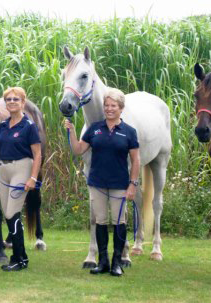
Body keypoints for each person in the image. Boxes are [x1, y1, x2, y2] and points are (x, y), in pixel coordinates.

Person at [63, 88, 139, 277]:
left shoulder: (129, 132)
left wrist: (132, 184)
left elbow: (136, 161)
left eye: (113, 106)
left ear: (121, 108)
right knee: (101, 221)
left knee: (119, 222)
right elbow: (79, 149)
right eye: (106, 105)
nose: (109, 109)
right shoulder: (94, 128)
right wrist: (72, 132)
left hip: (119, 185)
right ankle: (103, 261)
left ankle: (117, 262)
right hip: (97, 183)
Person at [0, 87, 42, 272]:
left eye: (16, 99)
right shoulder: (4, 126)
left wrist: (33, 178)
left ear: (22, 102)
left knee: (12, 212)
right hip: (3, 169)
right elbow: (0, 150)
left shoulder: (29, 126)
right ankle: (22, 258)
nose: (12, 102)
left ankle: (18, 258)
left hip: (22, 168)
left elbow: (37, 154)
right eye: (8, 99)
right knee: (8, 213)